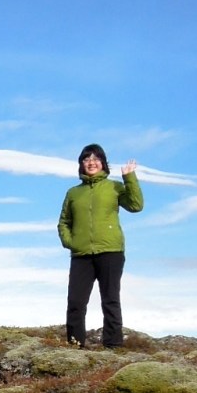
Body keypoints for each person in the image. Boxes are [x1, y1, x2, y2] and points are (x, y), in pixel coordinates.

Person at [57, 144, 142, 348]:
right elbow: (63, 222)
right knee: (76, 302)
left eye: (95, 159)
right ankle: (75, 344)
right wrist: (71, 242)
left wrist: (129, 178)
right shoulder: (73, 193)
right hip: (81, 254)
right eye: (86, 159)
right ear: (81, 164)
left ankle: (113, 345)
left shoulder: (114, 187)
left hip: (111, 251)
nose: (91, 162)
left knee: (110, 299)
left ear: (103, 163)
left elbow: (136, 205)